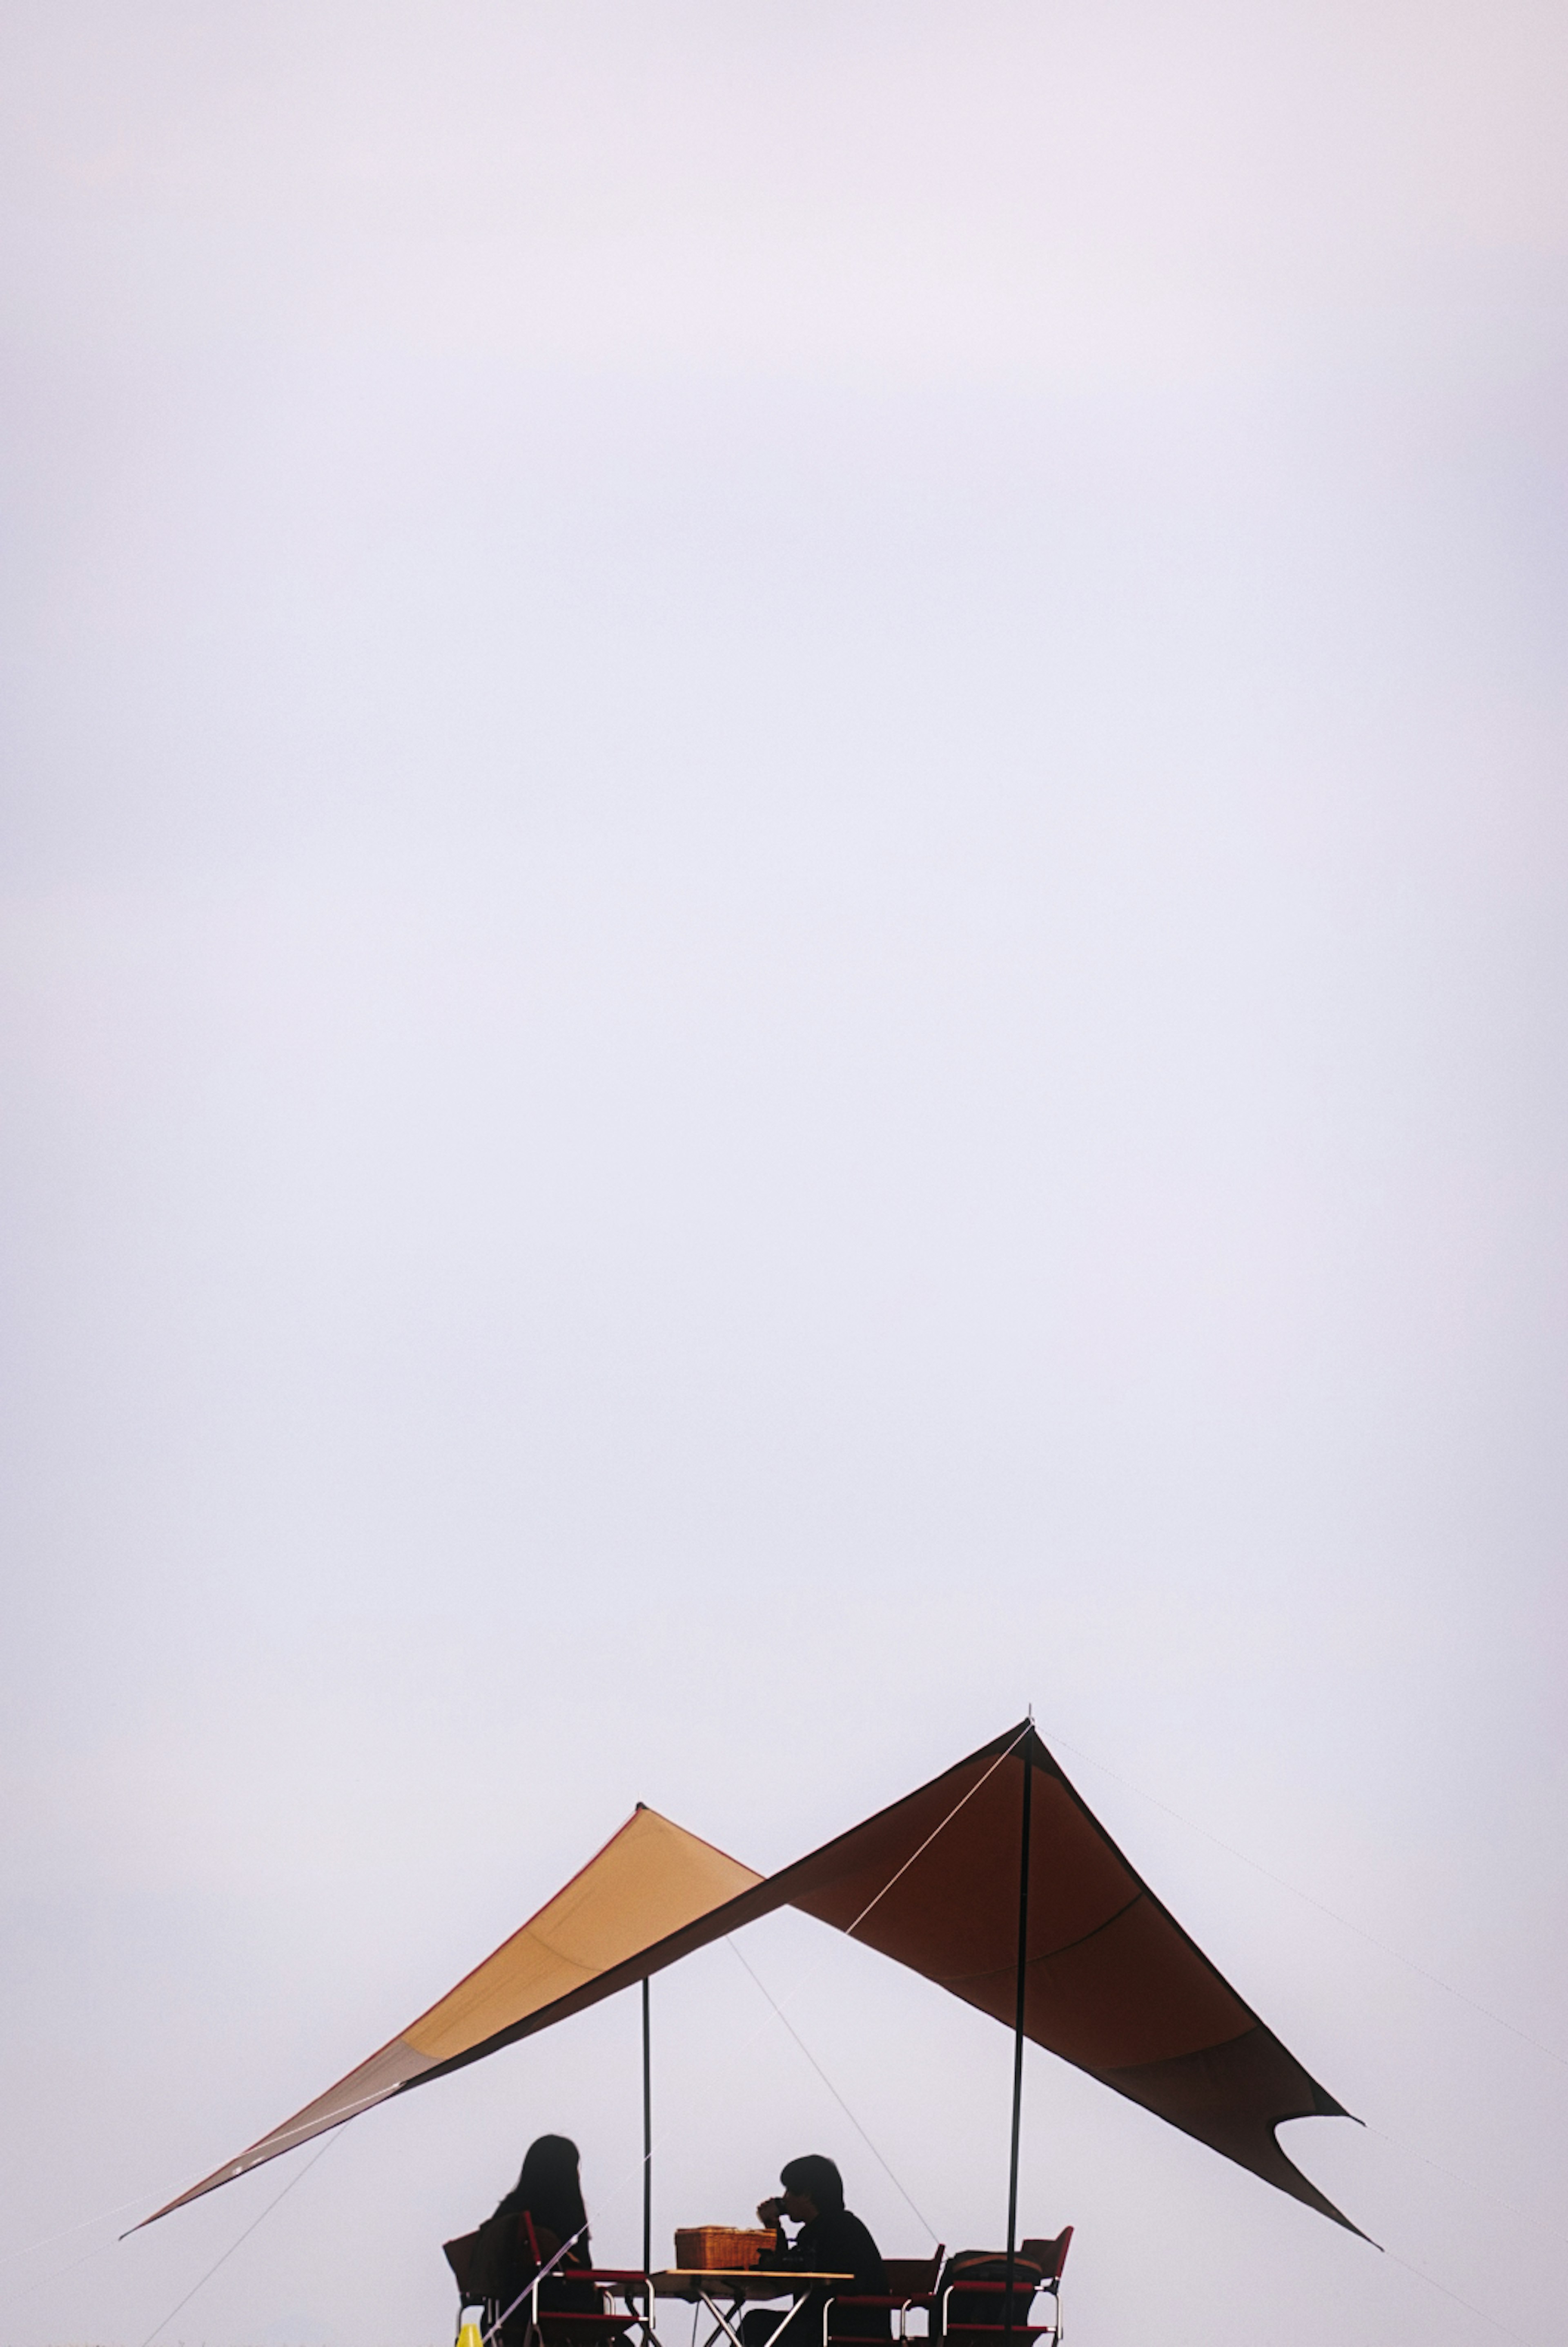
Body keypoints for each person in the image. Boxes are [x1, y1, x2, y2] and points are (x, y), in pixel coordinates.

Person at [744, 2156, 889, 2345]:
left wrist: (774, 2231)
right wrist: (774, 2228)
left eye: (789, 2191)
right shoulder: (833, 2227)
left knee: (756, 2326)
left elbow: (788, 2269)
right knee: (757, 2324)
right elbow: (789, 2266)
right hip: (830, 2324)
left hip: (841, 2329)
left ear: (806, 2194)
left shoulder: (837, 2230)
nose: (785, 2198)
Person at [474, 2133, 599, 2346]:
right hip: (557, 2319)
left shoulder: (508, 2215)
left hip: (503, 2321)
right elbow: (583, 2274)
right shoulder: (566, 2218)